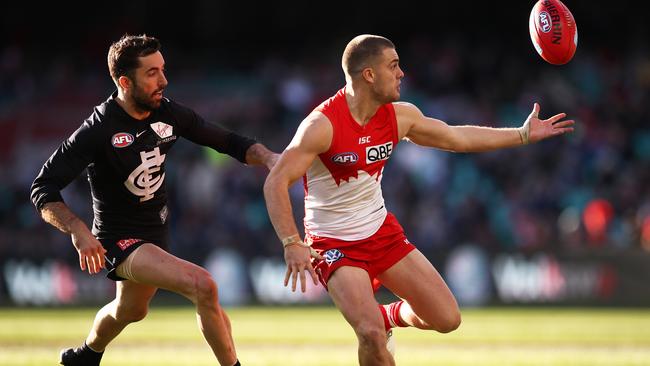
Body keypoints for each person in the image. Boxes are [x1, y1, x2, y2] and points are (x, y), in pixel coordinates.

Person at [263, 34, 575, 365]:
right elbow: (275, 182)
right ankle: (375, 324)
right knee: (369, 334)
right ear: (369, 75)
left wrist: (522, 134)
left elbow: (457, 138)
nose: (402, 73)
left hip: (381, 233)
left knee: (446, 318)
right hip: (333, 243)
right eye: (393, 65)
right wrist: (291, 242)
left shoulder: (400, 116)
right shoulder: (320, 125)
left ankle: (387, 317)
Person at [30, 34, 278, 366]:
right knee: (203, 285)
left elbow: (227, 141)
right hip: (118, 239)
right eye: (151, 73)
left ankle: (86, 356)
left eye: (162, 69)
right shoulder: (97, 129)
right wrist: (78, 230)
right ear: (124, 81)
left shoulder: (167, 112)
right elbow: (43, 188)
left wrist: (270, 158)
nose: (163, 80)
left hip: (155, 234)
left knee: (130, 310)